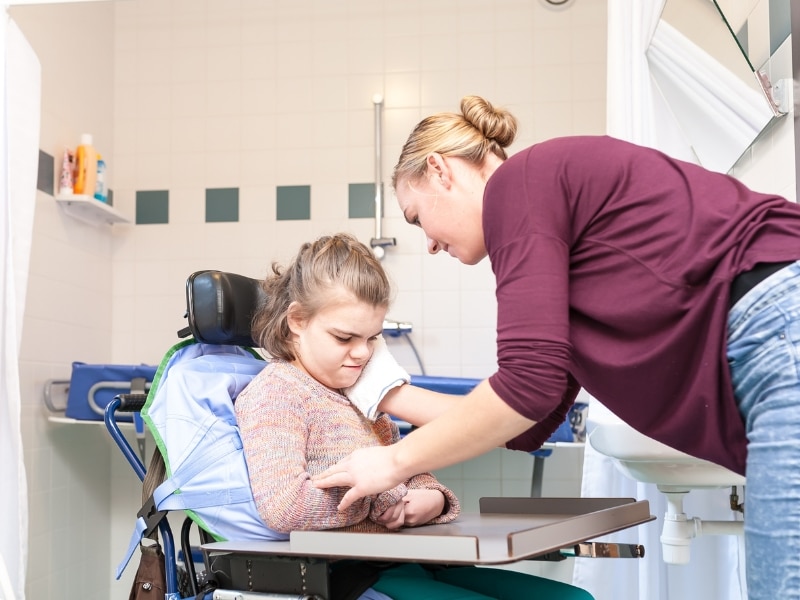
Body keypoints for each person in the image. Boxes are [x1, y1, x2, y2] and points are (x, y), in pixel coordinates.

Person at [312, 97, 800, 600]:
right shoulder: (547, 219)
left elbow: (526, 386)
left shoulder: (519, 184)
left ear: (439, 170)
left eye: (416, 219)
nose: (430, 245)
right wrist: (385, 392)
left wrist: (392, 462)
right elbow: (529, 422)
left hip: (782, 322)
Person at [235, 233, 594, 600]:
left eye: (373, 337)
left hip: (407, 560)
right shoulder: (276, 393)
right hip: (348, 575)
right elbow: (284, 508)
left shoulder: (361, 394)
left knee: (576, 598)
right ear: (296, 320)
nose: (362, 353)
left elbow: (415, 473)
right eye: (344, 338)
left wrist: (431, 501)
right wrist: (378, 498)